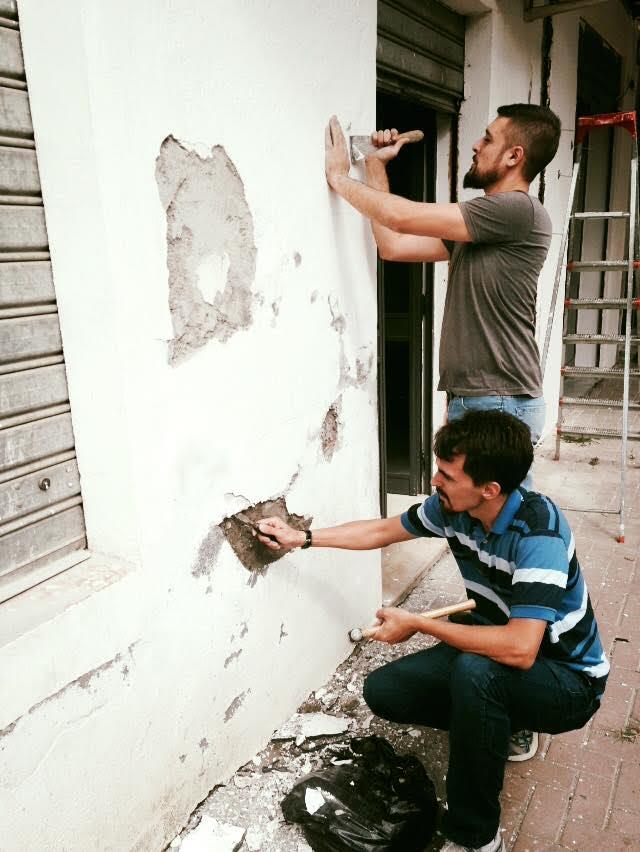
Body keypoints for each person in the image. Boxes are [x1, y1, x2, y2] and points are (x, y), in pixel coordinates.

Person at [256, 410, 608, 852]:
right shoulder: (452, 509)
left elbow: (520, 649)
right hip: (503, 646)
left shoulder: (539, 535)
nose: (434, 481)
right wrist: (302, 538)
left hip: (568, 678)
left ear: (489, 489)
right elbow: (382, 530)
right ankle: (503, 722)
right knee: (385, 691)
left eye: (446, 474)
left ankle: (476, 836)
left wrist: (421, 624)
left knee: (479, 676)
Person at [324, 105, 561, 449]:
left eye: (488, 138)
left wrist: (339, 178)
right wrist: (375, 164)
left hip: (499, 401)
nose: (476, 145)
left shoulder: (517, 211)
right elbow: (394, 245)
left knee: (499, 505)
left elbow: (400, 217)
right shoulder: (481, 228)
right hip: (477, 399)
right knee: (464, 503)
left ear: (514, 156)